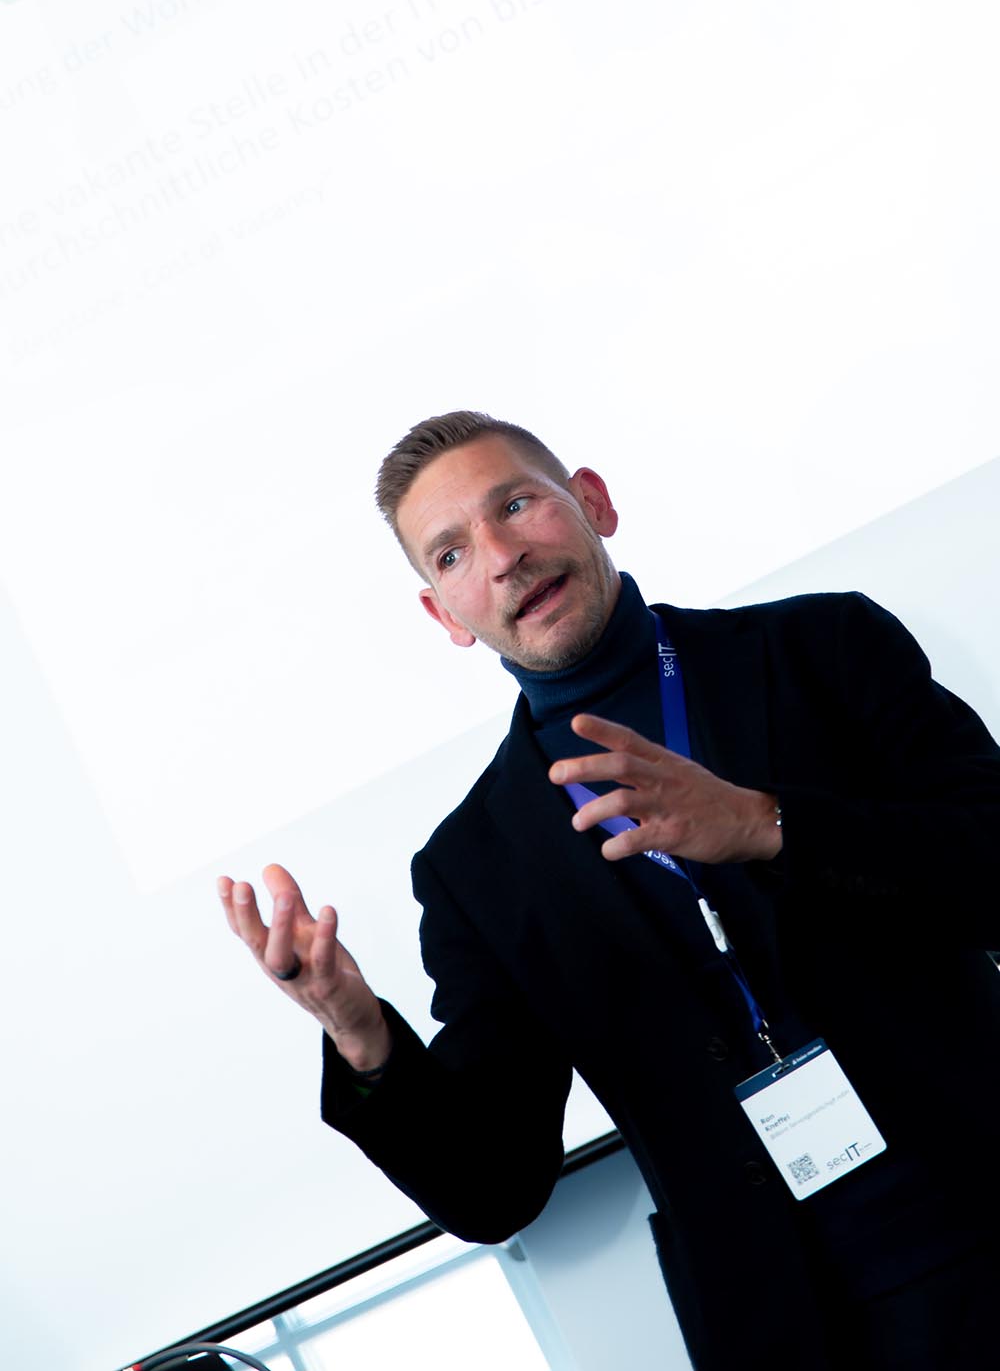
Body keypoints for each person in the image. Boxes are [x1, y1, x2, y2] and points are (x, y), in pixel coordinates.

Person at [219, 411, 1000, 1371]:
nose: (501, 556)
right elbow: (495, 1188)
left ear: (592, 502)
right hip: (794, 1327)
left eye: (516, 505)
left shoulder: (822, 647)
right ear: (444, 614)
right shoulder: (474, 867)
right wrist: (360, 1035)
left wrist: (764, 823)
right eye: (453, 553)